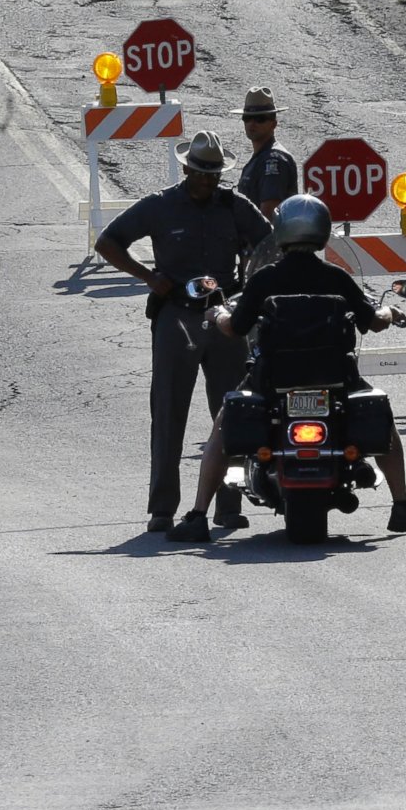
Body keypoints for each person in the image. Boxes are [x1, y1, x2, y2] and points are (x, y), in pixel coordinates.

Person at [166, 193, 406, 540]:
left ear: (281, 230)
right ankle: (402, 506)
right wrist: (390, 311)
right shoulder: (336, 278)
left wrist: (217, 312)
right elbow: (373, 320)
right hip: (336, 378)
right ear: (322, 231)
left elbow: (234, 328)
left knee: (222, 425)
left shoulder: (265, 280)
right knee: (385, 425)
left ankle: (198, 515)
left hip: (273, 378)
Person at [93, 131, 272, 534]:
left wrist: (255, 289)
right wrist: (147, 276)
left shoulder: (234, 206)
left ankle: (228, 506)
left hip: (225, 315)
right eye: (203, 173)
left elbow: (270, 245)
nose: (210, 181)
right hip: (176, 316)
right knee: (169, 412)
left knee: (231, 413)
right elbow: (109, 242)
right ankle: (162, 509)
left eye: (216, 174)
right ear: (187, 168)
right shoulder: (159, 206)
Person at [234, 86, 297, 220]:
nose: (252, 123)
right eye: (247, 118)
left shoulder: (273, 160)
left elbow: (269, 215)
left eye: (260, 118)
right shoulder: (260, 157)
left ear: (274, 124)